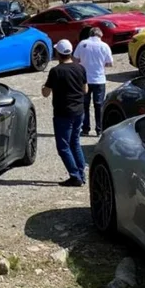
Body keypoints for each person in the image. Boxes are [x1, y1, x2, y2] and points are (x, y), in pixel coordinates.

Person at [42, 39, 88, 187]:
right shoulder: (80, 68)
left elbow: (45, 93)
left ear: (58, 53)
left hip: (63, 112)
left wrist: (44, 86)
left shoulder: (56, 71)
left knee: (63, 146)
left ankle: (75, 175)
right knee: (75, 142)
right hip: (79, 111)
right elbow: (85, 90)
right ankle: (81, 173)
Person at [74, 27, 114, 136]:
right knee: (99, 105)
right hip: (99, 79)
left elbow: (75, 59)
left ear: (90, 34)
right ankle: (99, 129)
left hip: (85, 79)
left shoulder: (82, 44)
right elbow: (110, 63)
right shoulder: (104, 46)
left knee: (85, 105)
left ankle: (85, 128)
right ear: (100, 35)